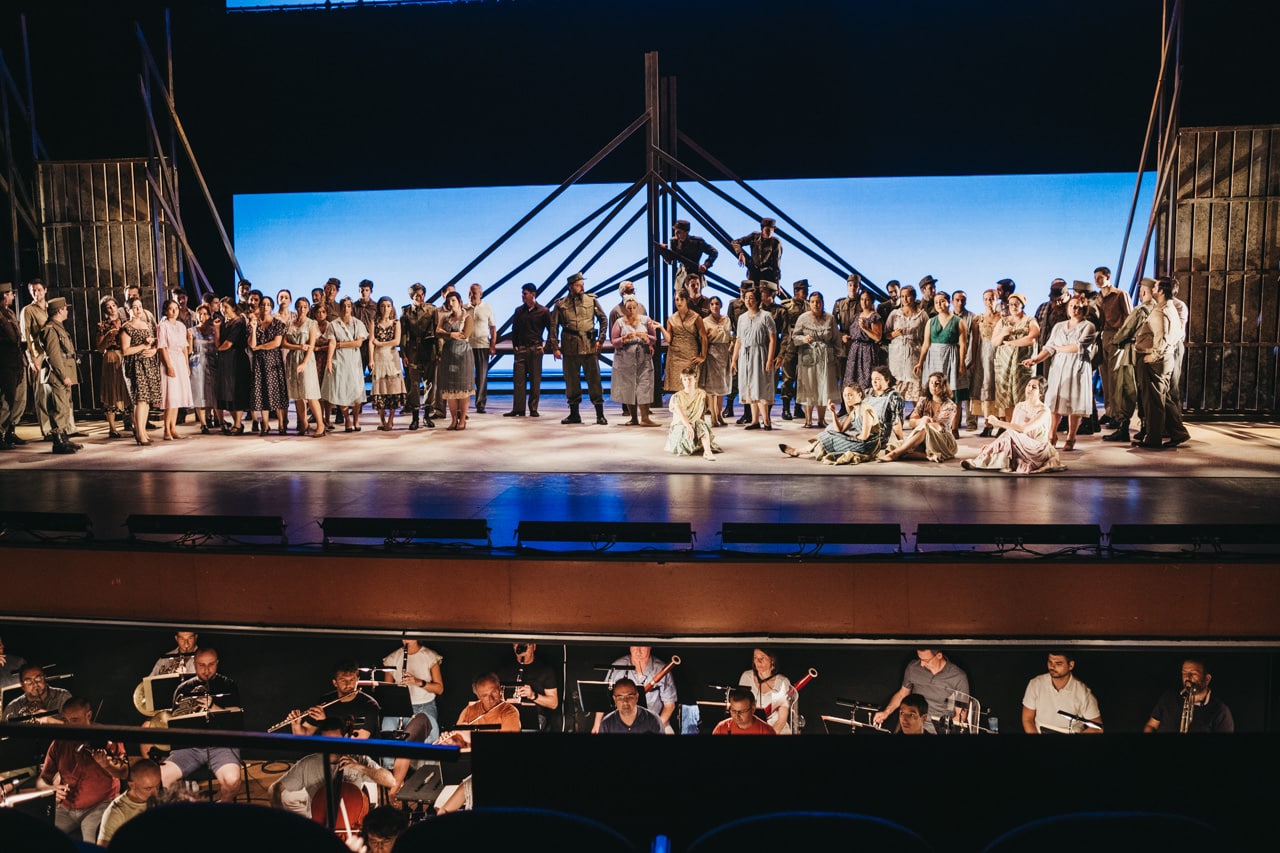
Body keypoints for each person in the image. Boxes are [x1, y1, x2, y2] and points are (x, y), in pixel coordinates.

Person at [36, 696, 128, 842]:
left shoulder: (107, 737)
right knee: (43, 840)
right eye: (65, 720)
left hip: (98, 805)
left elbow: (124, 773)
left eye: (74, 720)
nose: (69, 726)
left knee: (92, 844)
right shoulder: (59, 742)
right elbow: (42, 780)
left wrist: (107, 765)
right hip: (65, 808)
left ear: (89, 715)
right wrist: (51, 790)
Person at [268, 716, 394, 820]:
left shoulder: (359, 759)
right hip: (320, 823)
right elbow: (275, 788)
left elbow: (390, 781)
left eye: (336, 740)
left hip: (351, 823)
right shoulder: (308, 763)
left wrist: (360, 768)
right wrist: (280, 816)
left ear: (346, 737)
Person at [159, 648, 243, 802]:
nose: (206, 670)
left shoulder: (229, 685)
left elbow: (235, 721)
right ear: (194, 663)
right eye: (201, 665)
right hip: (189, 748)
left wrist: (213, 706)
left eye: (211, 664)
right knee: (160, 778)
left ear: (217, 663)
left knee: (232, 781)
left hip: (222, 746)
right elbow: (175, 722)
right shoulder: (182, 689)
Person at [1022, 296, 1097, 450]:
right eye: (1072, 306)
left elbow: (1078, 347)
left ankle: (1071, 437)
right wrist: (1035, 360)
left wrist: (1059, 348)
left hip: (1076, 367)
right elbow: (1049, 347)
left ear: (1084, 309)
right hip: (1058, 366)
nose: (1074, 309)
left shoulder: (1088, 326)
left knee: (1073, 402)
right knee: (1054, 402)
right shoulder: (1059, 326)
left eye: (1078, 306)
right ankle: (1052, 435)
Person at [962, 376, 1066, 474]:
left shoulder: (1043, 411)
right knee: (1008, 437)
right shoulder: (1020, 406)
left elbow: (1023, 429)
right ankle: (983, 461)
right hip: (1020, 443)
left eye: (1034, 387)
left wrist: (997, 422)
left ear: (1041, 393)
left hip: (1037, 448)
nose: (1029, 389)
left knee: (1011, 434)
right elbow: (1011, 429)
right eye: (1028, 385)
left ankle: (978, 461)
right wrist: (994, 444)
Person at [1133, 276, 1190, 450]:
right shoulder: (1171, 307)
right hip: (1165, 358)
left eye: (1156, 286)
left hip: (1155, 360)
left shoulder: (1161, 311)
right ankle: (1178, 432)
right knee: (1163, 399)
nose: (1153, 288)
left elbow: (1162, 336)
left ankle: (1153, 438)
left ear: (1162, 290)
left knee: (1154, 402)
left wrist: (1154, 355)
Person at [550, 272, 609, 425]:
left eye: (582, 284)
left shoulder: (591, 300)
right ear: (570, 287)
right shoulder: (560, 304)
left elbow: (603, 319)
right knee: (571, 383)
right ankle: (574, 414)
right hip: (570, 348)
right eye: (578, 285)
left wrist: (601, 340)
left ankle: (600, 415)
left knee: (595, 381)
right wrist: (555, 348)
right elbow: (553, 327)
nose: (582, 287)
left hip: (589, 346)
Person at [1103, 279, 1156, 443]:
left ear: (1143, 292)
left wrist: (1116, 341)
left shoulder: (1140, 310)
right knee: (1143, 392)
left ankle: (1123, 428)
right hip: (1149, 354)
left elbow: (1126, 330)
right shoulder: (1158, 309)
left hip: (1132, 353)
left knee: (1125, 390)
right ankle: (1145, 427)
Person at [872, 649, 970, 734]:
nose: (922, 664)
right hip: (913, 725)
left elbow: (961, 717)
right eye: (920, 659)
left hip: (937, 730)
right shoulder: (913, 668)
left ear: (939, 656)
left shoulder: (958, 677)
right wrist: (886, 712)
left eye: (926, 660)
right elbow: (902, 694)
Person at [779, 383, 881, 464]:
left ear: (859, 395)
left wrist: (852, 437)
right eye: (845, 395)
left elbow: (864, 436)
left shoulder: (865, 410)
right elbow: (840, 430)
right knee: (831, 432)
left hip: (868, 445)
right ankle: (806, 447)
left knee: (829, 436)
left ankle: (797, 451)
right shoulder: (855, 410)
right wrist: (833, 412)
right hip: (861, 441)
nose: (847, 398)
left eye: (850, 395)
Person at [287, 660, 382, 740]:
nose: (348, 684)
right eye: (343, 680)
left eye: (352, 680)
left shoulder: (369, 705)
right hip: (330, 752)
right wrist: (296, 725)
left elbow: (356, 742)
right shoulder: (325, 701)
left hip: (358, 754)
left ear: (358, 679)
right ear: (335, 682)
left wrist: (324, 722)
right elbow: (303, 736)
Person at [877, 371, 958, 463]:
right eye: (931, 383)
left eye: (937, 383)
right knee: (893, 447)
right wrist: (922, 420)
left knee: (923, 430)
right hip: (923, 437)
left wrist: (926, 424)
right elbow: (911, 423)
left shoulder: (950, 405)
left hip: (943, 440)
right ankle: (928, 456)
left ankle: (895, 454)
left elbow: (940, 426)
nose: (933, 386)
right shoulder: (923, 401)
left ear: (944, 386)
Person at [38, 297, 83, 455]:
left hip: (64, 371)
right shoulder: (50, 329)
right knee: (58, 407)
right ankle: (58, 442)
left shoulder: (58, 327)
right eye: (65, 308)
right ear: (59, 311)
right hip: (58, 374)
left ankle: (64, 438)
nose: (67, 311)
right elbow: (53, 356)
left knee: (64, 407)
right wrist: (63, 376)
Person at [596, 646, 677, 733]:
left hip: (656, 721)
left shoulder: (661, 668)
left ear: (650, 646)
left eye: (642, 646)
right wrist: (597, 724)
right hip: (621, 722)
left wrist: (656, 724)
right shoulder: (617, 666)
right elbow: (603, 699)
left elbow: (669, 705)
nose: (638, 652)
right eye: (635, 646)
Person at [380, 637, 444, 743]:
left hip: (424, 706)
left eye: (410, 637)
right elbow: (387, 691)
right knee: (387, 733)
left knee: (415, 738)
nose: (406, 640)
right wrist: (398, 691)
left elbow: (439, 689)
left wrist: (418, 682)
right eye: (404, 637)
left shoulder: (429, 656)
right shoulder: (392, 658)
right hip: (398, 706)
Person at [1021, 651, 1103, 734]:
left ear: (1071, 665)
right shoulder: (1036, 684)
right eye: (1050, 662)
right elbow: (1027, 719)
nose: (1052, 666)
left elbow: (1097, 728)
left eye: (1058, 663)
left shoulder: (1083, 693)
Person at [1143, 658, 1234, 733]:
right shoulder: (1169, 697)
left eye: (1193, 673)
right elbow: (1151, 725)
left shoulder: (1220, 711)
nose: (1187, 677)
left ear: (1207, 679)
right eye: (1184, 673)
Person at [791, 290, 840, 428]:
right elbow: (794, 337)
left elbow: (836, 339)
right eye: (812, 302)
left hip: (825, 357)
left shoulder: (830, 318)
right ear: (809, 303)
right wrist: (803, 339)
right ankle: (808, 420)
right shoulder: (803, 318)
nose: (815, 304)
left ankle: (821, 419)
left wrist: (838, 356)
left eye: (818, 302)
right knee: (809, 388)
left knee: (823, 388)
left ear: (822, 303)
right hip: (808, 357)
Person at [730, 287, 776, 430]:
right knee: (749, 386)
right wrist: (734, 360)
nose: (748, 301)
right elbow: (738, 340)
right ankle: (755, 420)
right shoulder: (742, 318)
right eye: (746, 297)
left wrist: (769, 359)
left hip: (760, 353)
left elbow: (772, 339)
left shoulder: (766, 316)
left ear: (757, 300)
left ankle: (766, 420)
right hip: (745, 355)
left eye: (751, 298)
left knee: (760, 386)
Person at [916, 291, 966, 421]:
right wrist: (920, 362)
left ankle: (953, 426)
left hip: (951, 357)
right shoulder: (931, 322)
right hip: (933, 358)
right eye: (936, 302)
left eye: (942, 301)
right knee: (933, 389)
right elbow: (926, 344)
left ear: (948, 302)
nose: (939, 304)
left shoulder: (958, 321)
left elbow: (963, 344)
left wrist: (961, 365)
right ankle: (932, 421)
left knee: (951, 391)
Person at [322, 297, 369, 433]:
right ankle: (347, 419)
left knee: (356, 390)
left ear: (351, 307)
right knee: (341, 389)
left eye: (348, 306)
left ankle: (356, 419)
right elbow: (332, 343)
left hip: (354, 360)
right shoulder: (333, 325)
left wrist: (340, 344)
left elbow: (358, 343)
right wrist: (329, 360)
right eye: (343, 306)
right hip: (339, 359)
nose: (346, 308)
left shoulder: (358, 323)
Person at [505, 283, 552, 418]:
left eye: (525, 293)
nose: (523, 296)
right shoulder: (519, 311)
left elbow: (552, 330)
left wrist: (546, 347)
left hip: (535, 349)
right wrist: (515, 345)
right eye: (522, 293)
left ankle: (533, 408)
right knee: (518, 381)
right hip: (521, 349)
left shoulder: (543, 311)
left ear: (533, 294)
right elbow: (514, 330)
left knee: (535, 380)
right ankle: (518, 409)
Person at [991, 293, 1040, 422]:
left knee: (1023, 396)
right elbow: (994, 342)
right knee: (1006, 399)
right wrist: (1003, 333)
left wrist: (1011, 343)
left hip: (1021, 365)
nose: (1013, 307)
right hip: (1004, 365)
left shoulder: (1030, 320)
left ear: (1022, 305)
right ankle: (1010, 427)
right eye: (1011, 304)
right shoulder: (1003, 321)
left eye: (1016, 304)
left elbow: (1032, 338)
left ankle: (1023, 427)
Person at [282, 297, 327, 437]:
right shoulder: (289, 323)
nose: (302, 309)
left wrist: (304, 363)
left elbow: (311, 345)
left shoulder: (311, 323)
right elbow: (284, 343)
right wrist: (299, 346)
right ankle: (303, 423)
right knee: (298, 395)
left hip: (306, 360)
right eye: (300, 306)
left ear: (308, 309)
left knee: (310, 393)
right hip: (292, 359)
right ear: (296, 307)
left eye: (305, 307)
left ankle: (321, 425)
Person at [120, 296, 162, 446]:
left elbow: (154, 343)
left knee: (147, 400)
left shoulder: (147, 324)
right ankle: (139, 433)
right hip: (135, 365)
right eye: (135, 307)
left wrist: (153, 349)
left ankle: (143, 431)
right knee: (140, 399)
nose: (138, 309)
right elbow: (125, 350)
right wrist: (143, 346)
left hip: (148, 364)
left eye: (140, 306)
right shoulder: (126, 328)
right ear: (128, 310)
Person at [437, 672, 521, 747]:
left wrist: (472, 739)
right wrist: (452, 742)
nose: (491, 699)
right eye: (485, 695)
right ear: (478, 696)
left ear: (500, 690)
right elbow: (461, 742)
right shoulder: (470, 710)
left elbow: (507, 745)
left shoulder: (510, 712)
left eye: (494, 692)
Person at [611, 297, 659, 426]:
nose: (631, 310)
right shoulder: (619, 322)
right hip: (625, 358)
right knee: (628, 387)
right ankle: (633, 418)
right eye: (629, 308)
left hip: (643, 357)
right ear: (624, 309)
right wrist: (624, 339)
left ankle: (645, 418)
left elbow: (654, 338)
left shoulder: (646, 320)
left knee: (644, 385)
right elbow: (614, 341)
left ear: (637, 307)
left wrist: (646, 337)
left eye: (634, 308)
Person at [1093, 266, 1132, 424]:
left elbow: (1130, 318)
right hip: (1102, 337)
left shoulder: (1120, 295)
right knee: (1105, 376)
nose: (1097, 281)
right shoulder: (1098, 297)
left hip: (1116, 336)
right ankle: (1109, 411)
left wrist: (1122, 338)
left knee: (1115, 377)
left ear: (1108, 277)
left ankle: (1117, 414)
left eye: (1100, 277)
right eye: (1095, 278)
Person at [496, 642, 560, 733]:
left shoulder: (545, 670)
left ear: (534, 646)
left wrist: (533, 695)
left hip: (535, 715)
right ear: (514, 647)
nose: (522, 652)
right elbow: (495, 698)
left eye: (525, 646)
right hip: (509, 713)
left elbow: (553, 703)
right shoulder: (504, 670)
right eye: (517, 645)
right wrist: (506, 702)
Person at [96, 759, 162, 846]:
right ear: (132, 785)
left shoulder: (162, 799)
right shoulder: (116, 812)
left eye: (157, 786)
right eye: (148, 789)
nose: (155, 793)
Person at [248, 295, 289, 436]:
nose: (265, 307)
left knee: (277, 393)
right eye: (263, 304)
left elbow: (276, 343)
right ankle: (265, 425)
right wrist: (254, 329)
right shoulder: (254, 323)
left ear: (271, 307)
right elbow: (252, 344)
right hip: (259, 363)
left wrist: (260, 347)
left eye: (268, 304)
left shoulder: (278, 324)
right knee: (261, 392)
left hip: (273, 361)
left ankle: (281, 424)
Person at [436, 290, 475, 430]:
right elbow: (437, 332)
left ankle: (462, 419)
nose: (451, 303)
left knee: (463, 388)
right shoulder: (445, 318)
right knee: (450, 389)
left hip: (463, 354)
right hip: (448, 354)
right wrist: (451, 334)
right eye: (448, 301)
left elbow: (465, 334)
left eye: (453, 300)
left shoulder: (467, 317)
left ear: (459, 302)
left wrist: (446, 334)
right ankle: (453, 419)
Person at [155, 299, 194, 441]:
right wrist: (168, 365)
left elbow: (184, 347)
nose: (174, 311)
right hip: (170, 359)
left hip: (180, 361)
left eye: (176, 308)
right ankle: (166, 429)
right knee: (171, 397)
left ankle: (173, 428)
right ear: (165, 311)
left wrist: (186, 365)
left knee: (177, 396)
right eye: (171, 309)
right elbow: (162, 347)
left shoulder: (181, 326)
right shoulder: (163, 326)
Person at [93, 295, 130, 440]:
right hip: (110, 356)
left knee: (127, 389)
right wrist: (108, 336)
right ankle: (112, 428)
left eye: (113, 305)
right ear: (105, 310)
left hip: (124, 355)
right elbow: (100, 348)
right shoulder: (102, 326)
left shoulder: (125, 322)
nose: (112, 309)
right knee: (111, 390)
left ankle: (132, 423)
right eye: (108, 307)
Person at [20, 278, 52, 438]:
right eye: (33, 290)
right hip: (38, 354)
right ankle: (47, 429)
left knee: (59, 392)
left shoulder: (51, 308)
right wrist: (31, 359)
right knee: (41, 394)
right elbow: (24, 336)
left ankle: (65, 427)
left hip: (53, 353)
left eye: (39, 289)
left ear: (45, 290)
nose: (36, 293)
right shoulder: (28, 310)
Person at [665, 366, 720, 459]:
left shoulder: (702, 394)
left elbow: (705, 410)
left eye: (690, 379)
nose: (687, 382)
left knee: (701, 425)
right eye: (685, 379)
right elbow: (681, 414)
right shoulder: (677, 396)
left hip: (696, 424)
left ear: (695, 379)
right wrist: (688, 426)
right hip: (681, 425)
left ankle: (707, 452)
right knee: (687, 438)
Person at [369, 296, 406, 431]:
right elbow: (371, 341)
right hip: (378, 357)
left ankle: (391, 419)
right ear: (379, 307)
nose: (385, 308)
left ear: (392, 307)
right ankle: (381, 419)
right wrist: (371, 359)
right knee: (380, 388)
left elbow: (396, 341)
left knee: (393, 388)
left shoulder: (396, 323)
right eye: (383, 306)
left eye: (388, 306)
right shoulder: (374, 322)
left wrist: (380, 343)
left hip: (391, 357)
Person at [215, 299, 252, 435]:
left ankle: (237, 424)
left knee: (237, 391)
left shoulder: (238, 323)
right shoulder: (225, 323)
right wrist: (217, 329)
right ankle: (237, 423)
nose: (223, 310)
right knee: (227, 392)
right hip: (225, 361)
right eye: (221, 307)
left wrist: (219, 349)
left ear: (233, 308)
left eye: (226, 307)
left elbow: (228, 343)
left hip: (237, 360)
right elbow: (218, 342)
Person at [885, 284, 927, 401]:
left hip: (914, 352)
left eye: (908, 296)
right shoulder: (895, 314)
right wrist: (894, 334)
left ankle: (917, 410)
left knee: (915, 382)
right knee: (897, 384)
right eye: (902, 296)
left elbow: (927, 336)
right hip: (898, 353)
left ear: (914, 297)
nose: (905, 299)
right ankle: (897, 410)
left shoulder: (922, 315)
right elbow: (886, 334)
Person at [738, 648, 794, 734]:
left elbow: (781, 720)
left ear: (772, 660)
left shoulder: (782, 682)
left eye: (762, 658)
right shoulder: (746, 677)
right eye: (755, 657)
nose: (758, 662)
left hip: (776, 729)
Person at [663, 291, 708, 397]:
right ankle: (679, 406)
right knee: (676, 385)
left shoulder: (696, 317)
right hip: (675, 355)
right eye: (676, 300)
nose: (679, 302)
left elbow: (703, 337)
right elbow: (668, 339)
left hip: (690, 354)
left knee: (690, 382)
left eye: (681, 299)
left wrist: (703, 355)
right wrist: (661, 328)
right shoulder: (671, 318)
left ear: (687, 300)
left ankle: (692, 406)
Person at [776, 279, 809, 421]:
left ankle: (798, 407)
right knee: (788, 377)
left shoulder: (809, 305)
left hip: (805, 345)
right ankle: (785, 408)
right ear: (796, 291)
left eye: (806, 290)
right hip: (790, 344)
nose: (806, 293)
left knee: (802, 378)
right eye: (803, 290)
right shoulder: (786, 306)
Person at [843, 288, 884, 394]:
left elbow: (877, 337)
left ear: (872, 301)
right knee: (852, 380)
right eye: (862, 299)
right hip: (854, 352)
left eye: (867, 299)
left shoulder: (875, 317)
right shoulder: (857, 315)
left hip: (867, 352)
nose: (864, 302)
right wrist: (848, 337)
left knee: (866, 381)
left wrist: (865, 328)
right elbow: (856, 334)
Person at [700, 295, 733, 426]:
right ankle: (713, 415)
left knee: (722, 385)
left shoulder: (726, 320)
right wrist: (712, 333)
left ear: (721, 305)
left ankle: (719, 414)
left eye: (717, 304)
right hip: (712, 352)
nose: (715, 306)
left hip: (724, 352)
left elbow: (730, 336)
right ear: (709, 306)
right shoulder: (705, 321)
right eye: (712, 304)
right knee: (712, 387)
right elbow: (703, 339)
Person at [0, 283, 26, 449]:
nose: (13, 296)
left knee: (19, 398)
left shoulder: (9, 312)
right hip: (5, 362)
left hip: (16, 360)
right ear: (4, 295)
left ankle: (10, 430)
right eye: (10, 293)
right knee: (7, 399)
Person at [661, 219, 718, 293]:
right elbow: (670, 260)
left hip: (695, 273)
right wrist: (664, 251)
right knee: (680, 296)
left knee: (694, 295)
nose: (676, 233)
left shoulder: (697, 242)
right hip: (682, 275)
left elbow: (714, 252)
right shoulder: (674, 242)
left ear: (686, 232)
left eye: (679, 231)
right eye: (675, 231)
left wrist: (705, 265)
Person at [973, 288, 1001, 435]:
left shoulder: (1002, 317)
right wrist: (973, 359)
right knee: (986, 386)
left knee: (999, 387)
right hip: (983, 354)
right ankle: (988, 424)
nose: (989, 301)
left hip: (999, 353)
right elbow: (975, 341)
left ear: (997, 299)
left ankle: (1002, 423)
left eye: (992, 298)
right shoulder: (979, 319)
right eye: (986, 299)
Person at [465, 283, 496, 413]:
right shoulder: (464, 308)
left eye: (474, 293)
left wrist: (492, 345)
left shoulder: (487, 308)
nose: (471, 295)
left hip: (483, 345)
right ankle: (464, 404)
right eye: (470, 292)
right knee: (466, 376)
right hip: (467, 346)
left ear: (480, 294)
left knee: (482, 376)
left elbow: (492, 327)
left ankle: (480, 404)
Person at [189, 303, 219, 434]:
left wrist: (217, 330)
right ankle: (203, 423)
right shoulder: (192, 330)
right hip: (197, 363)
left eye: (205, 314)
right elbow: (189, 350)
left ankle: (219, 420)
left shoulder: (214, 329)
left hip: (212, 362)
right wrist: (189, 339)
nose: (202, 316)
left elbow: (218, 346)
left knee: (214, 393)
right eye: (200, 314)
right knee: (199, 393)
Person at [3, 663, 71, 722]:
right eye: (28, 681)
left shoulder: (63, 697)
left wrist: (50, 721)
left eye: (38, 678)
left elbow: (74, 727)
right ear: (22, 685)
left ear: (45, 678)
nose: (35, 684)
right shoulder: (12, 707)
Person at [596, 678, 663, 734]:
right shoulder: (606, 723)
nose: (625, 702)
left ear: (637, 697)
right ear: (614, 699)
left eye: (630, 696)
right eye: (620, 697)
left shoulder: (653, 720)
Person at [731, 217, 782, 288]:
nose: (769, 232)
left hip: (767, 275)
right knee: (749, 291)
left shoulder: (776, 242)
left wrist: (777, 282)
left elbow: (776, 264)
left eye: (771, 230)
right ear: (762, 229)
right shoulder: (754, 237)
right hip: (753, 272)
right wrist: (741, 253)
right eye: (767, 230)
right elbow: (735, 242)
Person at [712, 687, 777, 735]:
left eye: (742, 711)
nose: (737, 716)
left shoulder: (766, 731)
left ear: (753, 709)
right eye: (733, 710)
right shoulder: (721, 728)